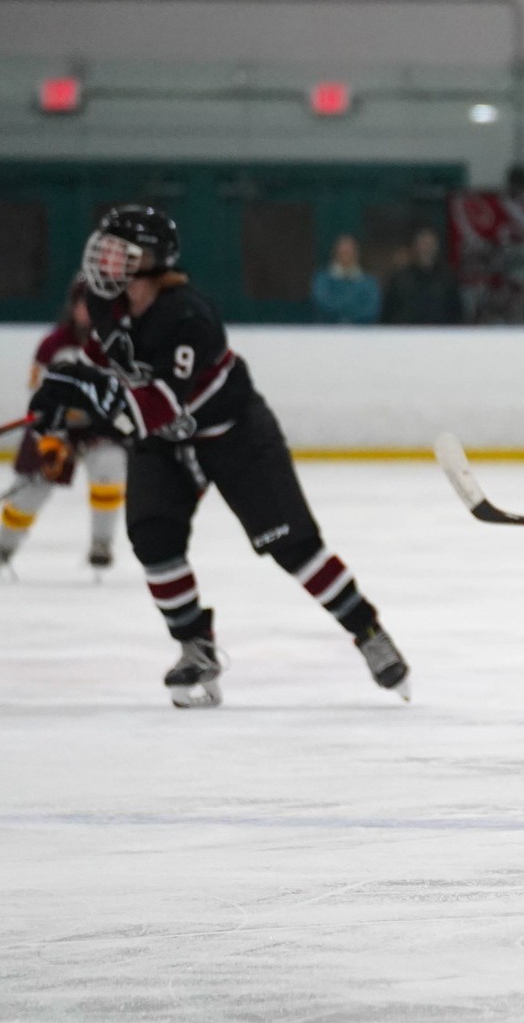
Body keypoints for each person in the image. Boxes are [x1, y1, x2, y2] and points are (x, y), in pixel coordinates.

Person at [27, 205, 410, 708]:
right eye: (105, 247)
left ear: (152, 260)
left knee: (293, 546)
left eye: (119, 250)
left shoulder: (186, 314)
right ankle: (195, 649)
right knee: (154, 540)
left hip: (235, 436)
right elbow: (110, 375)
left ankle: (368, 631)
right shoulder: (105, 304)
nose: (105, 259)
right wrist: (66, 406)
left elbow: (153, 410)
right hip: (166, 442)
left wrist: (82, 391)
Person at [2, 280, 127, 574]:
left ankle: (101, 544)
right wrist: (51, 442)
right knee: (31, 487)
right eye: (82, 303)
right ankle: (3, 545)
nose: (87, 310)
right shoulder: (53, 345)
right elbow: (38, 400)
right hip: (56, 428)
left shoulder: (121, 344)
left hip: (101, 431)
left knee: (109, 467)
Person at [379, 227, 464, 325]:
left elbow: (457, 313)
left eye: (429, 244)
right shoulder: (399, 279)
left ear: (436, 247)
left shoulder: (447, 279)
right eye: (422, 244)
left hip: (440, 335)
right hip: (406, 335)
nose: (426, 248)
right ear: (415, 247)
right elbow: (387, 314)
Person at [310, 233, 381, 324]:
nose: (346, 255)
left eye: (349, 252)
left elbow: (371, 309)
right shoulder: (322, 279)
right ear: (335, 253)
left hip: (361, 334)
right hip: (327, 333)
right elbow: (322, 304)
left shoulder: (369, 282)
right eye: (342, 252)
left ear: (356, 254)